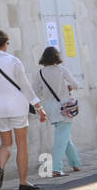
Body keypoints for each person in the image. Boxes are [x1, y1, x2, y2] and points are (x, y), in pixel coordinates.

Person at [0, 31, 41, 190]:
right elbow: (25, 86)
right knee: (21, 145)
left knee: (6, 144)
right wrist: (38, 106)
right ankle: (23, 181)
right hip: (16, 106)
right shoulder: (14, 61)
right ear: (5, 43)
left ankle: (1, 167)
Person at [32, 46, 82, 177]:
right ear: (57, 57)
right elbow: (76, 85)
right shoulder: (62, 70)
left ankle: (75, 163)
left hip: (50, 108)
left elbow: (35, 92)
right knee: (61, 138)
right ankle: (56, 168)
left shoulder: (40, 73)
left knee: (64, 136)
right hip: (64, 107)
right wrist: (67, 87)